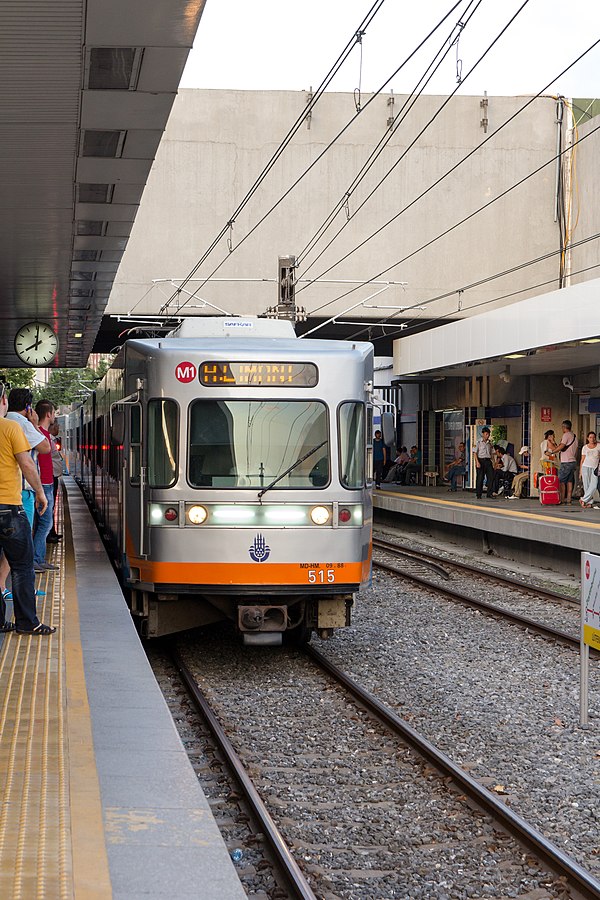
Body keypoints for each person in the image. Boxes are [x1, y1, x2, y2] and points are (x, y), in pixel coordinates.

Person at [0, 382, 55, 634]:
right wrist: (41, 494)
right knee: (22, 566)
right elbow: (27, 464)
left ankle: (1, 622)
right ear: (3, 402)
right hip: (8, 508)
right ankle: (27, 622)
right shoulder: (10, 427)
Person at [32, 400, 58, 572]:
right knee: (45, 524)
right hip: (43, 484)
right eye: (54, 412)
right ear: (48, 414)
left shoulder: (43, 434)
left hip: (46, 484)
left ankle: (39, 558)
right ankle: (36, 559)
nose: (54, 416)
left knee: (45, 524)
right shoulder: (38, 433)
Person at [550, 419, 578, 505]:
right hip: (573, 461)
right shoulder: (574, 436)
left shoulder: (566, 435)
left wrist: (553, 451)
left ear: (564, 427)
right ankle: (568, 499)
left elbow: (562, 446)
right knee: (569, 481)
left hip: (566, 462)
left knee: (561, 481)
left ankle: (561, 499)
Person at [47, 422, 64, 542]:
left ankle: (52, 531)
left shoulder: (51, 439)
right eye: (57, 426)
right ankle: (50, 534)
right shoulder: (48, 439)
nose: (58, 428)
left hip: (53, 477)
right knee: (49, 507)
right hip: (50, 477)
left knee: (51, 507)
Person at [579, 432, 600, 509]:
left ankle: (583, 500)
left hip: (595, 468)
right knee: (587, 486)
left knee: (594, 486)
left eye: (594, 437)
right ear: (587, 438)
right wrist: (580, 471)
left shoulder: (598, 446)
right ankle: (589, 503)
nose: (592, 439)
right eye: (590, 437)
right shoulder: (585, 447)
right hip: (585, 467)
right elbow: (582, 460)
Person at [473, 426, 495, 499]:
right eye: (486, 434)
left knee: (491, 476)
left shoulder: (490, 443)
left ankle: (489, 493)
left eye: (488, 434)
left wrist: (494, 462)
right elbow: (475, 453)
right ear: (483, 434)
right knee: (480, 478)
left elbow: (492, 453)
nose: (487, 436)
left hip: (488, 461)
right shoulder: (478, 442)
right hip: (480, 460)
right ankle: (478, 494)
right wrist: (477, 462)